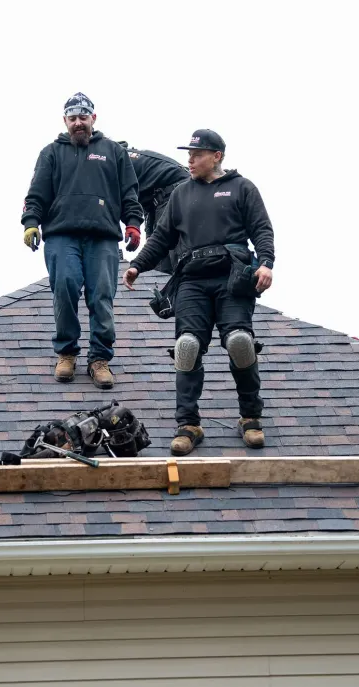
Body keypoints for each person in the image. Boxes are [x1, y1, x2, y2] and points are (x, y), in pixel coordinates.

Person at [123, 129, 275, 456]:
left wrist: (265, 263)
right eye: (188, 154)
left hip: (232, 276)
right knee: (187, 346)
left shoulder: (242, 188)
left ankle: (251, 417)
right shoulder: (181, 194)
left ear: (216, 156)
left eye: (197, 154)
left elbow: (262, 228)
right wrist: (138, 265)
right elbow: (161, 237)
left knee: (239, 342)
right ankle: (188, 424)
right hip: (191, 279)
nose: (189, 160)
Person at [21, 92, 143, 389]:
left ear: (93, 118)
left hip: (102, 237)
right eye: (72, 118)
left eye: (83, 117)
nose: (78, 123)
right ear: (65, 121)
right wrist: (31, 223)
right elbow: (36, 194)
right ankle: (66, 353)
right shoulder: (51, 153)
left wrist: (133, 224)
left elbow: (130, 193)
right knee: (64, 286)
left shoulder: (113, 151)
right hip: (62, 234)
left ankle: (99, 359)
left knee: (101, 295)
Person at [116, 141, 190, 274]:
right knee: (160, 263)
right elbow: (146, 201)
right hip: (164, 198)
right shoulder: (131, 160)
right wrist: (149, 233)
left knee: (174, 258)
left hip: (178, 193)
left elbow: (112, 203)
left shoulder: (114, 159)